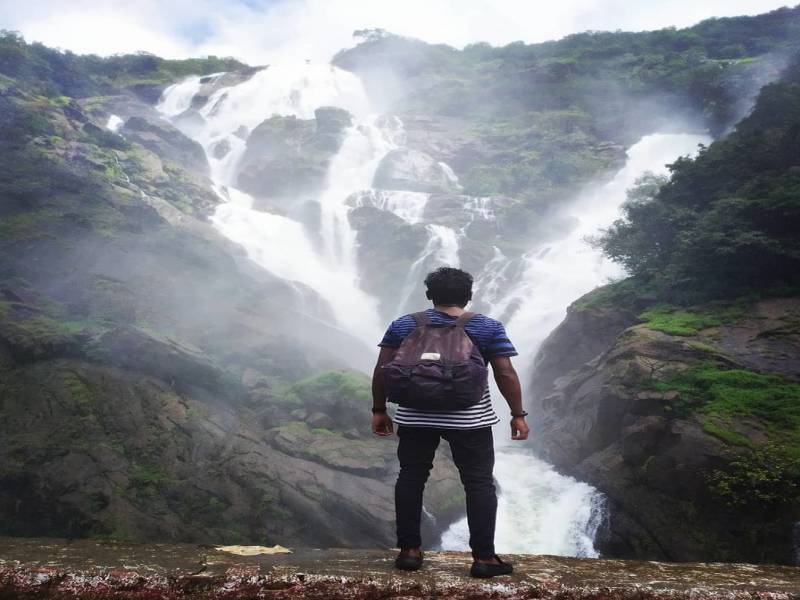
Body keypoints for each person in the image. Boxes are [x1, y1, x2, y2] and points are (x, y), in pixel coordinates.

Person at [370, 266, 530, 578]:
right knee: (479, 482)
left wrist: (379, 409)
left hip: (415, 416)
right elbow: (505, 372)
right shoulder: (486, 326)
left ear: (429, 295)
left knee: (412, 477)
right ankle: (484, 558)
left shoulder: (404, 324)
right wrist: (518, 414)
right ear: (469, 296)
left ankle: (409, 552)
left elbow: (382, 368)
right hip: (470, 418)